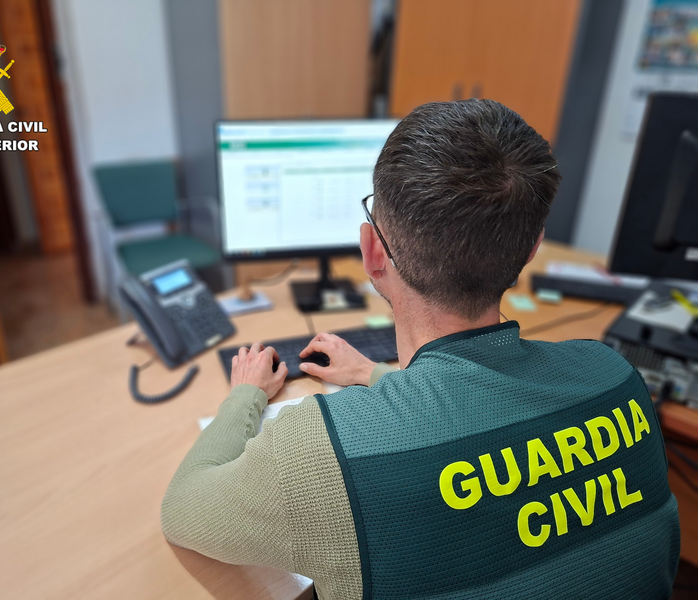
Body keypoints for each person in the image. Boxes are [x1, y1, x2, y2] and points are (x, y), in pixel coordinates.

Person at [160, 99, 679, 600]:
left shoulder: (321, 455)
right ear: (531, 248)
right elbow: (482, 414)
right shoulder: (614, 376)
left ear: (372, 252)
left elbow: (183, 510)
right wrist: (377, 376)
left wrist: (245, 395)